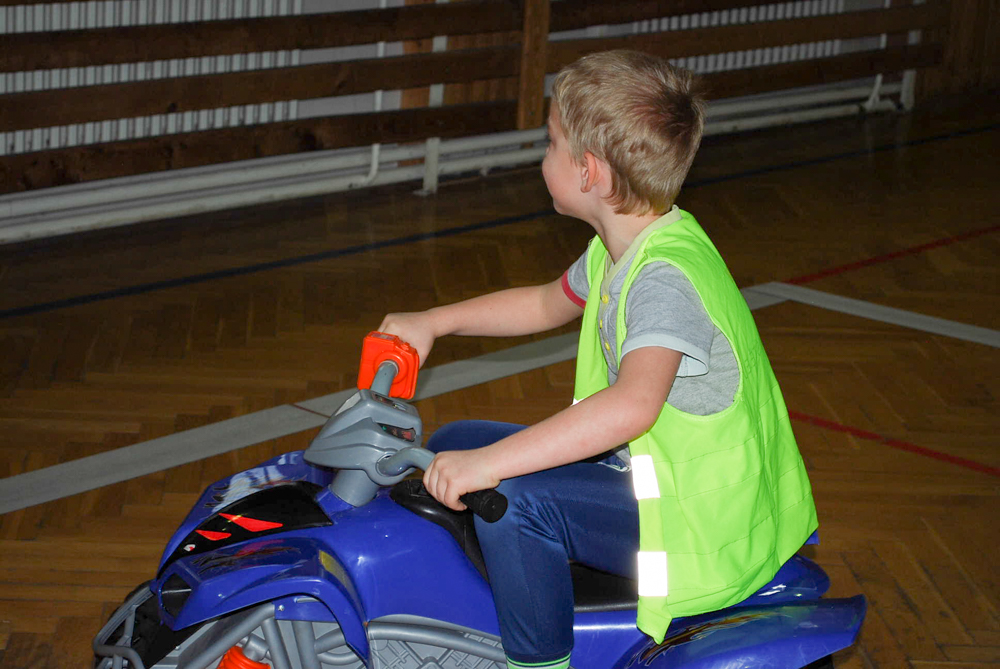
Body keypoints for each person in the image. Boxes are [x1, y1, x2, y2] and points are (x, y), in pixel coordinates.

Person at [379, 49, 818, 669]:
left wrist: (490, 466)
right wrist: (434, 321)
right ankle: (504, 594)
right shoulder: (623, 248)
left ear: (588, 172)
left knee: (512, 497)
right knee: (457, 442)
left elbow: (633, 406)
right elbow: (542, 303)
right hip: (651, 475)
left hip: (693, 522)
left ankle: (540, 661)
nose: (542, 155)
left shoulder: (663, 278)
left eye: (551, 143)